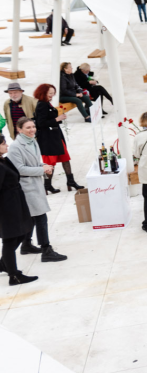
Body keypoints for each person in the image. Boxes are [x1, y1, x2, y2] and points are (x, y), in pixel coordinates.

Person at [8, 118, 67, 261]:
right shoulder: (16, 146)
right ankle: (46, 250)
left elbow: (34, 161)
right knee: (41, 217)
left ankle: (26, 244)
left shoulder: (32, 140)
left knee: (33, 217)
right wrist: (41, 169)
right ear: (19, 129)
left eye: (33, 126)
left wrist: (43, 165)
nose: (32, 129)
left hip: (35, 184)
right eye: (28, 127)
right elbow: (19, 169)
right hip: (26, 186)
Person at [0, 134, 37, 285]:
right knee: (10, 239)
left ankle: (4, 264)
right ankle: (13, 275)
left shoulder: (2, 159)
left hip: (15, 202)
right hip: (7, 206)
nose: (7, 146)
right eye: (4, 144)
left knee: (21, 234)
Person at [32, 84, 83, 192]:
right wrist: (57, 119)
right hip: (48, 139)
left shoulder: (46, 103)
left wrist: (58, 119)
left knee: (65, 158)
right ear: (43, 93)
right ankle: (47, 185)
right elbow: (41, 123)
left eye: (53, 93)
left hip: (55, 137)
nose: (52, 95)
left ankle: (70, 181)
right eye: (50, 93)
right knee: (50, 163)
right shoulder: (42, 105)